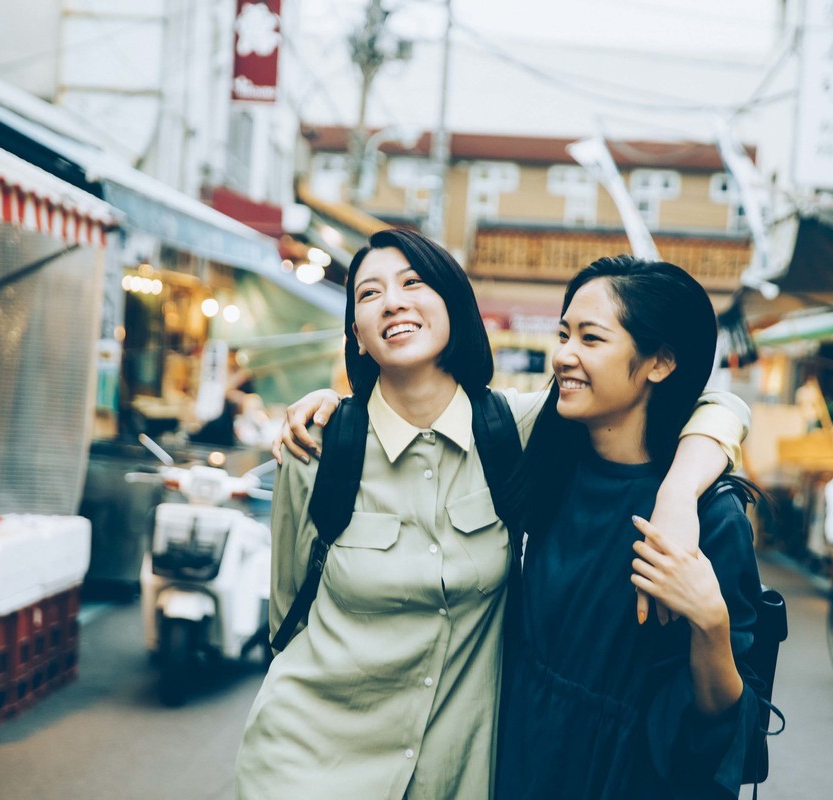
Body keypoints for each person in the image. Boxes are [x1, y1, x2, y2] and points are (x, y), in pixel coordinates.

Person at [236, 229, 746, 800]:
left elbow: (711, 401)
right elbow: (289, 618)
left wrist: (678, 494)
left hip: (452, 775)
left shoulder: (519, 429)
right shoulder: (317, 451)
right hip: (309, 770)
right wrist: (332, 408)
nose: (393, 301)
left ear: (455, 305)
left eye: (412, 282)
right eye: (368, 293)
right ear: (355, 332)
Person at [495, 255, 761, 799]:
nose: (562, 355)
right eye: (563, 333)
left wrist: (711, 622)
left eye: (591, 339)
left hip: (626, 777)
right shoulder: (546, 457)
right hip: (522, 758)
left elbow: (719, 726)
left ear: (660, 362)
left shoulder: (707, 516)